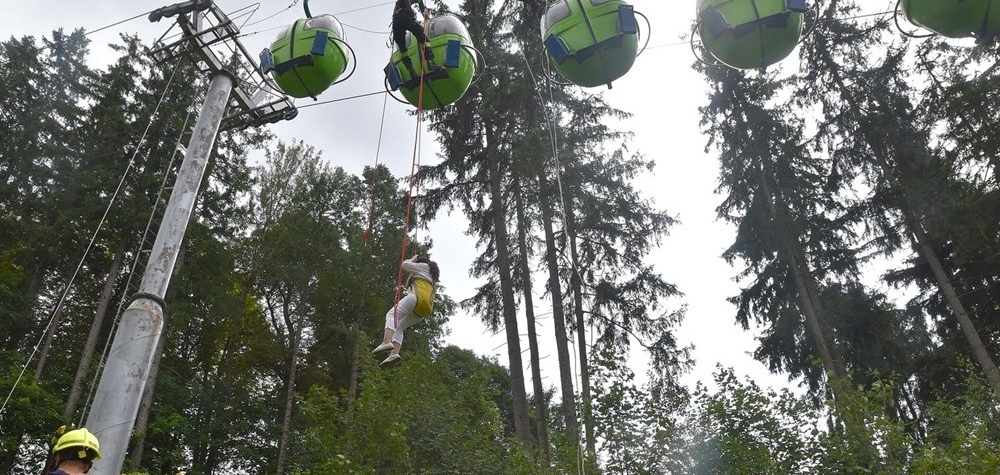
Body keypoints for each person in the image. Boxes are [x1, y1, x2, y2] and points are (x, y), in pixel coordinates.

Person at [372, 254, 440, 369]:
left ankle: (387, 341)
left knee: (391, 315)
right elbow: (408, 283)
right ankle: (394, 354)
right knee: (398, 327)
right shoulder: (431, 278)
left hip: (416, 298)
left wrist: (413, 259)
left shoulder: (424, 266)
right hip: (424, 310)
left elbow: (405, 265)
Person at [392, 0, 437, 78]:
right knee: (423, 38)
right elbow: (422, 7)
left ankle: (411, 71)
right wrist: (425, 15)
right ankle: (431, 62)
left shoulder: (398, 4)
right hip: (405, 17)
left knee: (402, 49)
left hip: (396, 23)